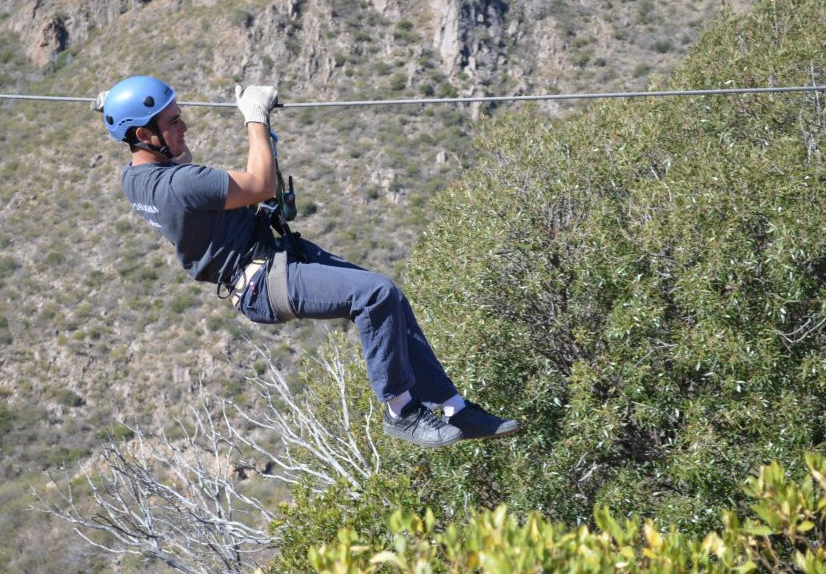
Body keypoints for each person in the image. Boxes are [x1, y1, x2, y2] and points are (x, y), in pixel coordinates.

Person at [97, 75, 519, 448]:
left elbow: (166, 156)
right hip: (266, 280)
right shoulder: (182, 185)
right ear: (144, 134)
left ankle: (452, 407)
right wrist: (255, 117)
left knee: (390, 298)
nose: (184, 125)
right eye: (173, 122)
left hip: (271, 259)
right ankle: (401, 412)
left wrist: (110, 106)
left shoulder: (136, 181)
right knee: (375, 295)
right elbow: (261, 185)